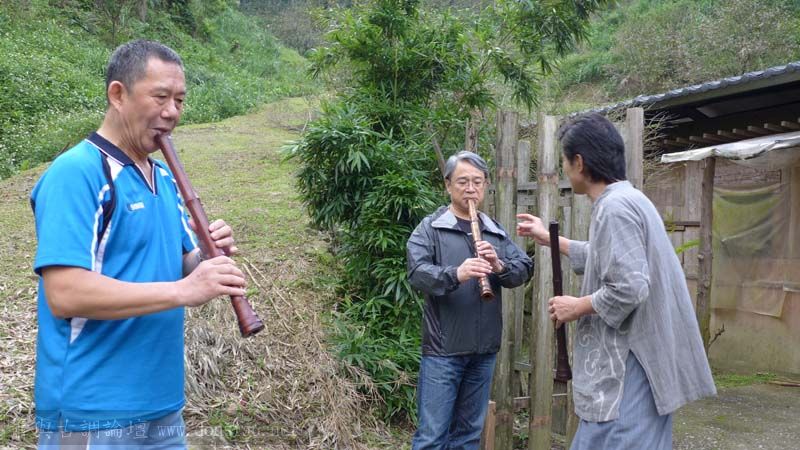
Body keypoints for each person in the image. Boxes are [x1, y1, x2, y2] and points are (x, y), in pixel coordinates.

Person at [31, 40, 247, 449]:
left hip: (161, 406)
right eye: (160, 97)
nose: (172, 111)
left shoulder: (162, 177)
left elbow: (176, 262)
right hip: (93, 410)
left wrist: (205, 257)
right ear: (118, 94)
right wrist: (184, 291)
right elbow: (65, 293)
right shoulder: (76, 173)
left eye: (180, 100)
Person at [517, 113, 716, 449]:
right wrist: (552, 240)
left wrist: (576, 306)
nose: (564, 168)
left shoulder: (615, 208)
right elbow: (608, 257)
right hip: (645, 358)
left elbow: (630, 287)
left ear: (579, 163)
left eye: (565, 160)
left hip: (632, 360)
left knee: (615, 438)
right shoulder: (630, 198)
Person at [406, 151, 533, 450]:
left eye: (477, 181)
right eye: (462, 182)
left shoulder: (494, 230)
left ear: (486, 185)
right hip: (443, 351)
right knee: (432, 437)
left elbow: (524, 268)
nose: (470, 188)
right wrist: (457, 273)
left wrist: (499, 266)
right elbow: (417, 273)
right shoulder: (431, 228)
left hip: (483, 351)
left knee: (468, 437)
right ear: (448, 185)